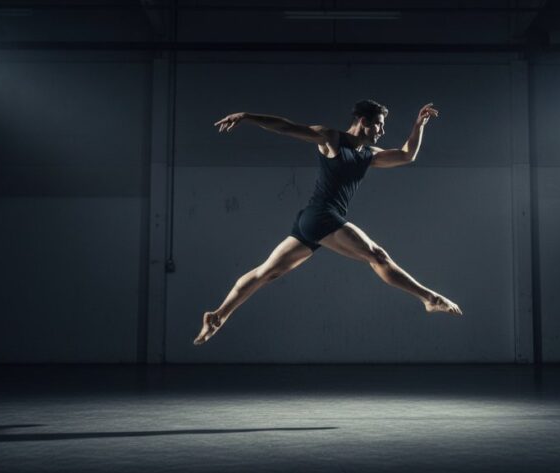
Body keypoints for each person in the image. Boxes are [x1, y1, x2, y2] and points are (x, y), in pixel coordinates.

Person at [194, 100, 462, 346]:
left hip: (311, 221)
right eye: (379, 123)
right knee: (377, 256)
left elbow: (406, 155)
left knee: (266, 272)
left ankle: (218, 315)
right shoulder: (331, 139)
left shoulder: (367, 154)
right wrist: (247, 116)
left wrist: (418, 126)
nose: (382, 130)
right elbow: (287, 127)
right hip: (323, 215)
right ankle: (430, 298)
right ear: (364, 121)